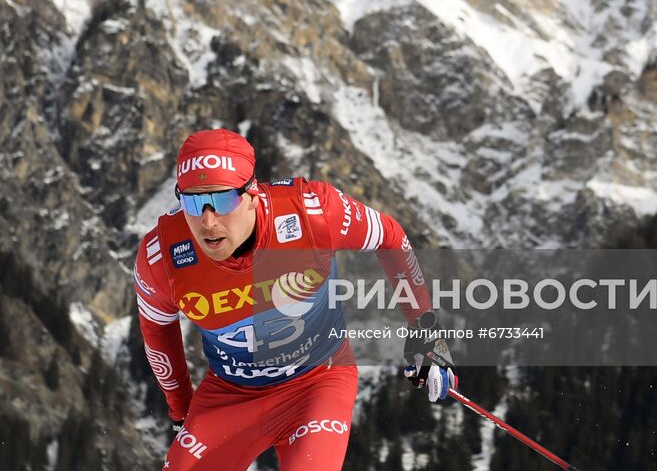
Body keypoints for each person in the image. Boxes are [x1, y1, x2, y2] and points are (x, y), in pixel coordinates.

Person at [133, 128, 456, 470]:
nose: (208, 221)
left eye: (223, 200)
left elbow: (389, 238)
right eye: (193, 202)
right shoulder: (162, 255)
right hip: (230, 394)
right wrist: (182, 410)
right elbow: (157, 331)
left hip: (318, 381)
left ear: (252, 193)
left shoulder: (312, 212)